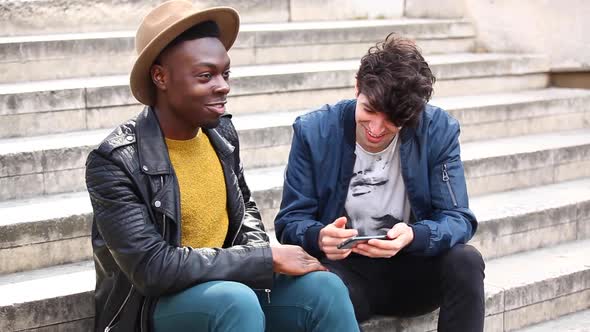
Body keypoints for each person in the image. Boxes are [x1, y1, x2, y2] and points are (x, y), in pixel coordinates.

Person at [85, 1, 359, 331]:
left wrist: (260, 256)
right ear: (160, 76)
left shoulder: (221, 134)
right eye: (206, 75)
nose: (223, 85)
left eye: (225, 73)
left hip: (226, 286)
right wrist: (265, 258)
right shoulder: (116, 161)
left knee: (324, 289)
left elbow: (245, 211)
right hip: (151, 308)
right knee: (234, 301)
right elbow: (151, 269)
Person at [274, 33, 485, 332]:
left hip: (413, 270)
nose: (375, 129)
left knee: (466, 260)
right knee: (323, 288)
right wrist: (319, 236)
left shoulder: (438, 129)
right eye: (369, 110)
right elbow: (290, 221)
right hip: (344, 276)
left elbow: (459, 218)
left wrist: (415, 235)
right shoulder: (314, 130)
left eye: (393, 120)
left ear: (413, 113)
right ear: (357, 85)